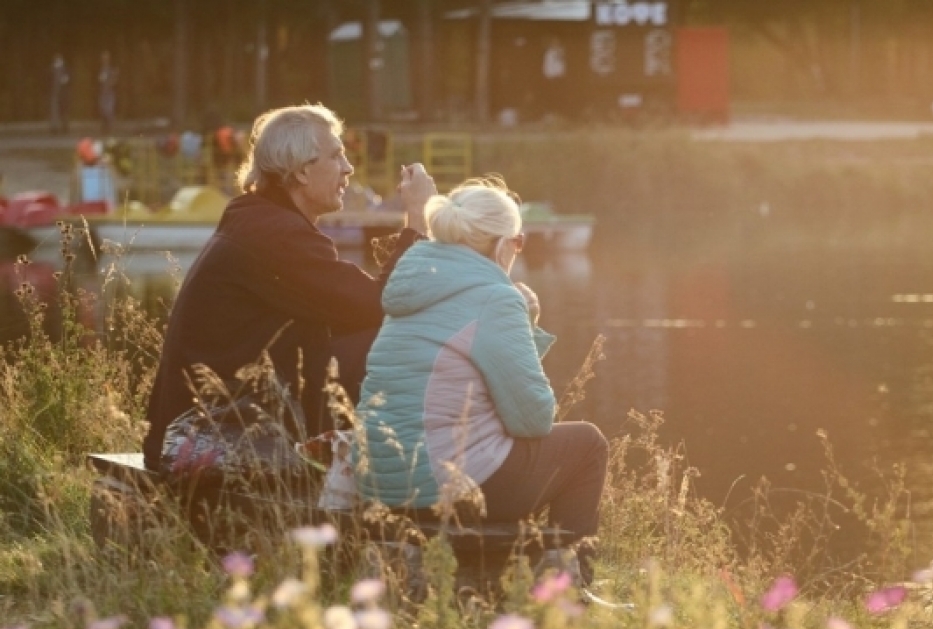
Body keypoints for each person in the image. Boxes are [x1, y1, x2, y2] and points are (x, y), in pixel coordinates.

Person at [142, 103, 436, 473]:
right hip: (205, 436)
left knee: (373, 339)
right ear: (300, 170)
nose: (348, 168)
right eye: (336, 155)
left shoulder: (260, 219)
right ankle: (408, 476)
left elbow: (357, 306)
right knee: (396, 341)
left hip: (195, 425)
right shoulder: (277, 235)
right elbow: (381, 303)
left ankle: (383, 472)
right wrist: (417, 217)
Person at [355, 178, 608, 573]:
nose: (516, 251)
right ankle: (569, 582)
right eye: (519, 242)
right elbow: (533, 417)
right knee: (587, 445)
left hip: (382, 485)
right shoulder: (496, 296)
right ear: (500, 244)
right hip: (447, 487)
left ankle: (483, 567)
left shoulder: (410, 288)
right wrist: (521, 321)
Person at [97, 51, 118, 135]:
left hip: (109, 93)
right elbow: (99, 81)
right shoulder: (100, 69)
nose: (104, 59)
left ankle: (109, 128)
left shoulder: (111, 69)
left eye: (106, 57)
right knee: (103, 110)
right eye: (103, 57)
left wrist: (112, 81)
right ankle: (104, 128)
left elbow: (114, 81)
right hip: (102, 92)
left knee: (109, 111)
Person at [49, 54, 70, 134]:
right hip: (55, 93)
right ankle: (55, 128)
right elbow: (49, 80)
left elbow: (68, 80)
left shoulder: (65, 69)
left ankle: (64, 127)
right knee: (55, 111)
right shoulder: (52, 69)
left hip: (62, 94)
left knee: (63, 111)